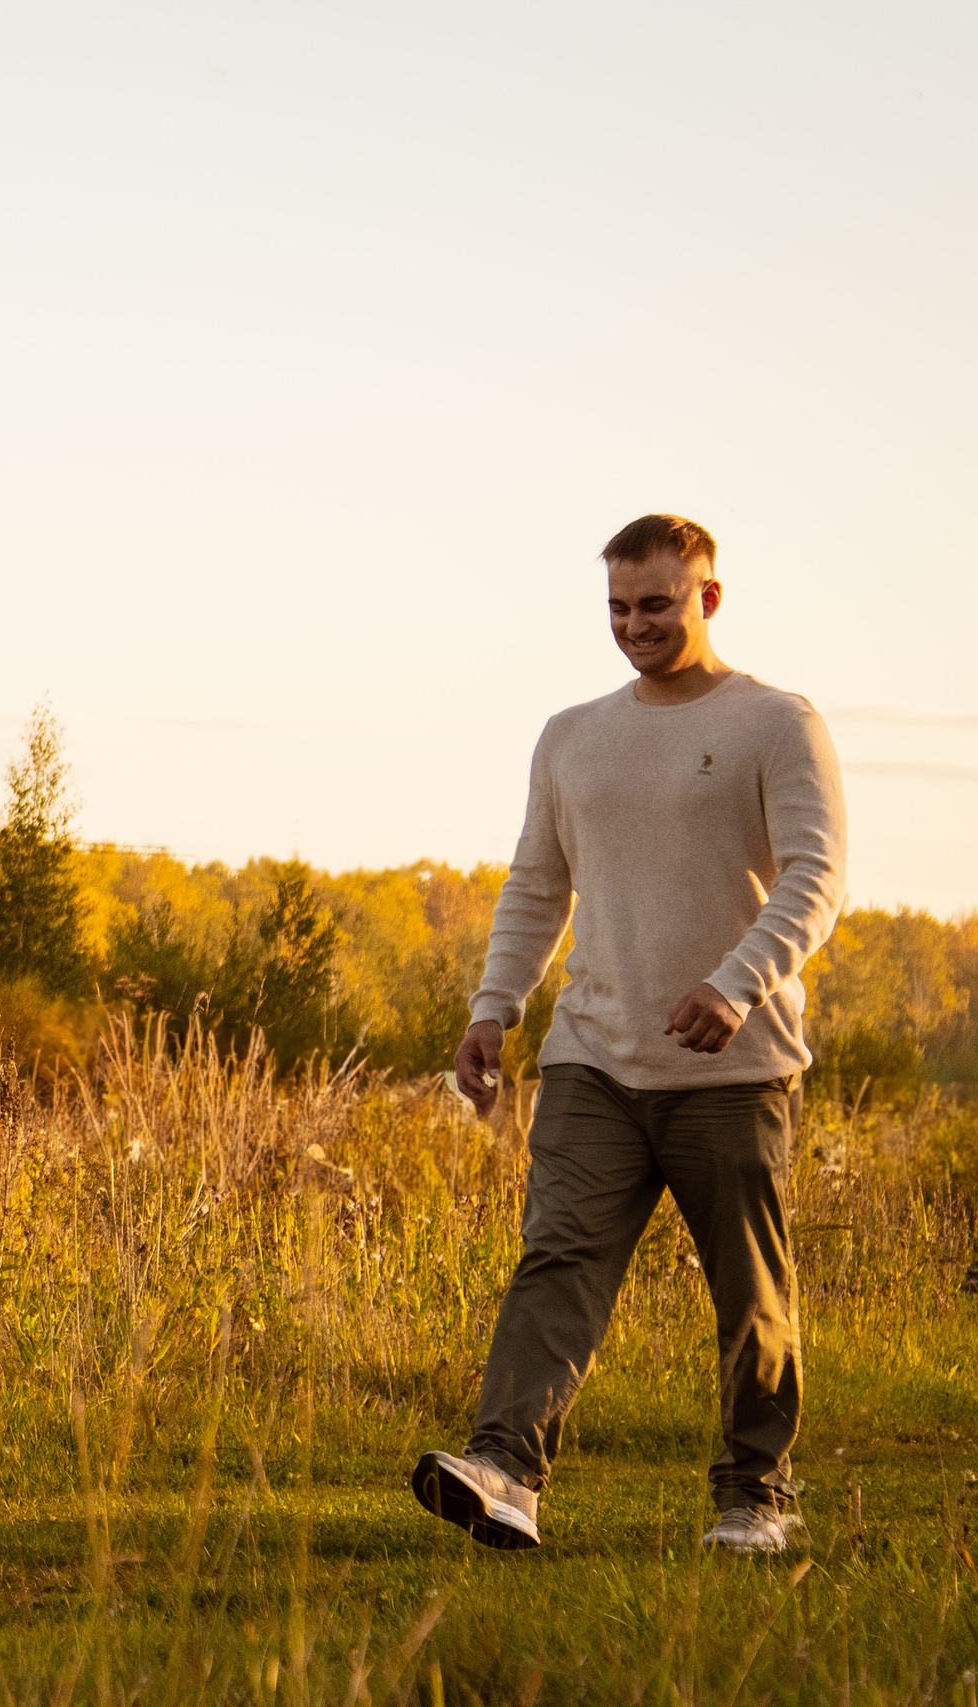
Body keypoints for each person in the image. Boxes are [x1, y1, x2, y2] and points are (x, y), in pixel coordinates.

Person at [416, 514, 846, 1557]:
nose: (634, 625)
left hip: (732, 1068)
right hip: (593, 1057)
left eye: (655, 604)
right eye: (617, 607)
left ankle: (754, 1496)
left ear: (708, 597)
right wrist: (492, 1007)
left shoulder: (777, 723)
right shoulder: (571, 735)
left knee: (748, 1291)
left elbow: (816, 875)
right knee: (557, 1257)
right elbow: (536, 882)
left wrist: (736, 986)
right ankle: (505, 1471)